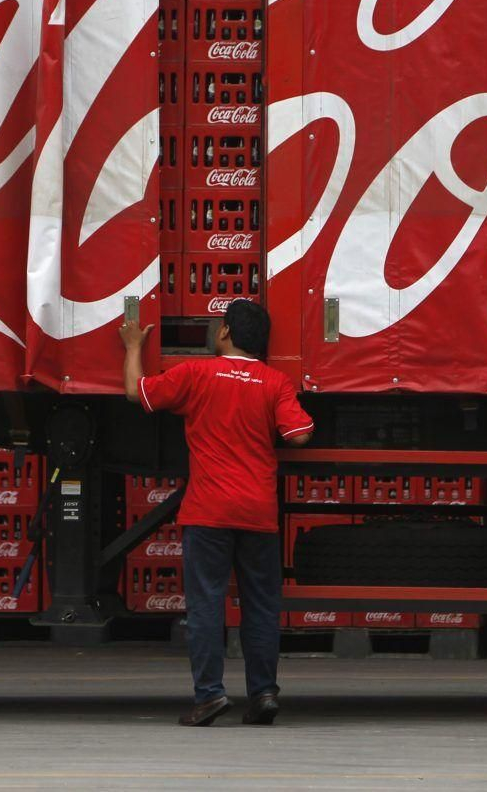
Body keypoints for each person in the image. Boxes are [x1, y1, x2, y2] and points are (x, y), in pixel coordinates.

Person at [119, 299, 313, 727]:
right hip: (258, 512)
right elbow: (298, 435)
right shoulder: (275, 382)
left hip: (208, 512)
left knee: (206, 605)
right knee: (261, 606)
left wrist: (133, 346)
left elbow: (137, 392)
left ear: (225, 332)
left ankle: (209, 696)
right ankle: (263, 694)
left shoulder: (196, 373)